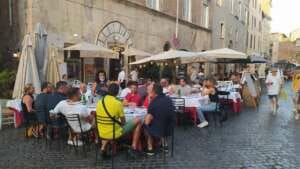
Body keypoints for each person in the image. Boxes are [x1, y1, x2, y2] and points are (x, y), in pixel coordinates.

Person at [96, 83, 142, 157]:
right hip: (114, 133)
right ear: (117, 92)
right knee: (138, 120)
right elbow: (123, 122)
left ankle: (103, 148)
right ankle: (133, 147)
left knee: (109, 126)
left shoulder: (99, 102)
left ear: (108, 90)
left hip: (101, 132)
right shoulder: (117, 103)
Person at [143, 83, 176, 155]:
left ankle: (150, 148)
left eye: (150, 91)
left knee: (145, 125)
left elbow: (147, 122)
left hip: (160, 130)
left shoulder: (153, 103)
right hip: (170, 128)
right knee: (161, 121)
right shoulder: (169, 99)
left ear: (154, 92)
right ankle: (164, 145)